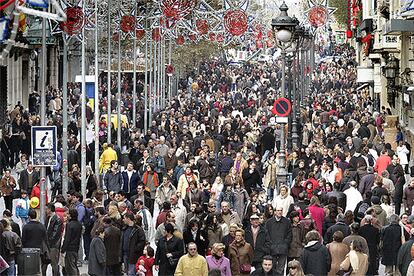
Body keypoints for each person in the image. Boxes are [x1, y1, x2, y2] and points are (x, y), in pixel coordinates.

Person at [264, 206, 292, 275]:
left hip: (283, 249)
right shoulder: (269, 222)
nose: (279, 212)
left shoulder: (287, 222)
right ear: (275, 212)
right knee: (271, 267)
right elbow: (266, 235)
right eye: (278, 210)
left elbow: (289, 235)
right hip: (272, 248)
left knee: (281, 268)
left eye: (281, 210)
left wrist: (285, 244)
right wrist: (270, 245)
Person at [42, 203, 63, 276]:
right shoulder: (47, 218)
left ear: (50, 209)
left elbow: (55, 234)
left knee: (54, 264)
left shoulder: (57, 219)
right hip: (47, 245)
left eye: (46, 208)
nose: (45, 210)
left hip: (53, 246)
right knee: (44, 265)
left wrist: (49, 243)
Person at [61, 208, 82, 276]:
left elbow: (67, 238)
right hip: (76, 247)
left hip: (70, 248)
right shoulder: (79, 224)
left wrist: (63, 249)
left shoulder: (69, 225)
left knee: (71, 267)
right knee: (74, 265)